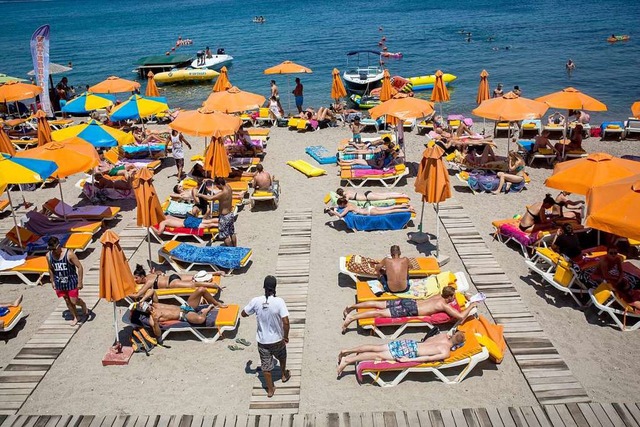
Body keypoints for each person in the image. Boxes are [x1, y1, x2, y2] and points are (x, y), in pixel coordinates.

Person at [341, 286, 477, 333]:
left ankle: (351, 307)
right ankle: (352, 318)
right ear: (450, 296)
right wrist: (472, 304)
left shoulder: (438, 295)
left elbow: (452, 294)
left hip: (409, 301)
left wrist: (464, 296)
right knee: (379, 313)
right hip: (410, 310)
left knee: (379, 305)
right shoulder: (444, 305)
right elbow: (460, 316)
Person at [241, 276, 290, 398]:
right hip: (278, 339)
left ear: (264, 287)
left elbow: (244, 313)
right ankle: (283, 375)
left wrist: (248, 365)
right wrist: (286, 336)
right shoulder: (279, 301)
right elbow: (286, 322)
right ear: (275, 288)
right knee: (282, 356)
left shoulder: (256, 301)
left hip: (263, 341)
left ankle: (270, 389)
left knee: (265, 366)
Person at [337, 331, 467, 376]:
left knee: (376, 348)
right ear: (457, 345)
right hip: (411, 352)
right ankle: (347, 361)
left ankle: (347, 351)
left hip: (410, 343)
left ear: (453, 335)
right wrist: (408, 361)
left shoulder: (443, 336)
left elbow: (427, 340)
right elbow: (427, 358)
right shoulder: (446, 352)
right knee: (379, 356)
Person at [133, 287, 227, 338]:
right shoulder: (153, 317)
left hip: (185, 306)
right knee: (200, 319)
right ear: (143, 311)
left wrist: (143, 299)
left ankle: (217, 304)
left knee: (201, 290)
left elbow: (151, 290)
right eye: (144, 307)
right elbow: (157, 334)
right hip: (185, 315)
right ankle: (205, 310)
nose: (146, 305)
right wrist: (156, 322)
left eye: (145, 303)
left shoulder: (155, 304)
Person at [47, 237, 88, 326]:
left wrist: (80, 282)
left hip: (71, 281)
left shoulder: (69, 254)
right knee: (67, 300)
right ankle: (76, 317)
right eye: (51, 249)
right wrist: (52, 281)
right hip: (60, 282)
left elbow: (80, 267)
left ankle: (83, 304)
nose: (53, 251)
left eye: (54, 249)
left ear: (58, 246)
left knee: (73, 301)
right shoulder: (49, 255)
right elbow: (50, 269)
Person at [131, 264, 223, 298]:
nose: (135, 280)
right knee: (194, 276)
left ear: (142, 276)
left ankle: (212, 285)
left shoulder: (148, 282)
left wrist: (125, 295)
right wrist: (157, 273)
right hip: (173, 276)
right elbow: (160, 273)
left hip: (171, 283)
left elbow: (138, 295)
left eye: (136, 278)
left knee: (193, 284)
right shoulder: (151, 274)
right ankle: (216, 273)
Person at [197, 177, 237, 246]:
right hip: (230, 214)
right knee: (232, 233)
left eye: (217, 185)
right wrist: (210, 180)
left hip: (224, 216)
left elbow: (210, 198)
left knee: (224, 236)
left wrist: (200, 195)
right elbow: (222, 181)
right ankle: (235, 247)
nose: (217, 187)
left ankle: (230, 250)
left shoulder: (222, 193)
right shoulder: (228, 187)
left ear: (220, 184)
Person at [325, 198, 415, 218]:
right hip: (370, 207)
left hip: (369, 212)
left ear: (343, 204)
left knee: (390, 211)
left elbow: (340, 215)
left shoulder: (347, 208)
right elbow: (339, 206)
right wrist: (332, 207)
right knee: (390, 208)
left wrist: (333, 212)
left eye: (340, 205)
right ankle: (405, 205)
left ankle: (408, 209)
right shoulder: (349, 203)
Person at [335, 188, 409, 201]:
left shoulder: (347, 196)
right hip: (367, 193)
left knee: (386, 197)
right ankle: (400, 194)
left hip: (368, 197)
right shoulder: (348, 191)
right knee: (385, 194)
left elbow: (345, 202)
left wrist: (338, 197)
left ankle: (402, 196)